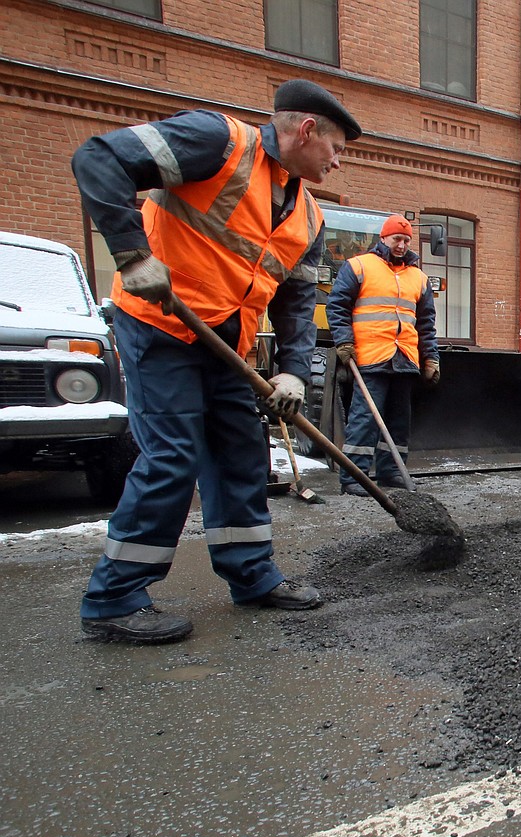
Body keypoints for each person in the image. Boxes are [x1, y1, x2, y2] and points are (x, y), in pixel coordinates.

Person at [72, 79, 362, 643]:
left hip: (228, 349)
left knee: (241, 456)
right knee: (173, 456)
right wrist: (132, 256)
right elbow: (99, 157)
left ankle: (252, 577)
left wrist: (293, 371)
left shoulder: (309, 217)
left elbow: (298, 304)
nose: (336, 162)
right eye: (336, 149)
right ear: (306, 130)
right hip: (161, 328)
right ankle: (112, 599)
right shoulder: (217, 142)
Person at [326, 215, 440, 496]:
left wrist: (431, 358)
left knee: (399, 421)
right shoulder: (359, 267)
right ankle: (354, 477)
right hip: (370, 356)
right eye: (396, 239)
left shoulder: (419, 278)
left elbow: (425, 324)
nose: (401, 245)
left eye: (406, 240)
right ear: (383, 239)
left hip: (404, 359)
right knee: (364, 419)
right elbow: (337, 307)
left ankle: (391, 472)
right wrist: (344, 343)